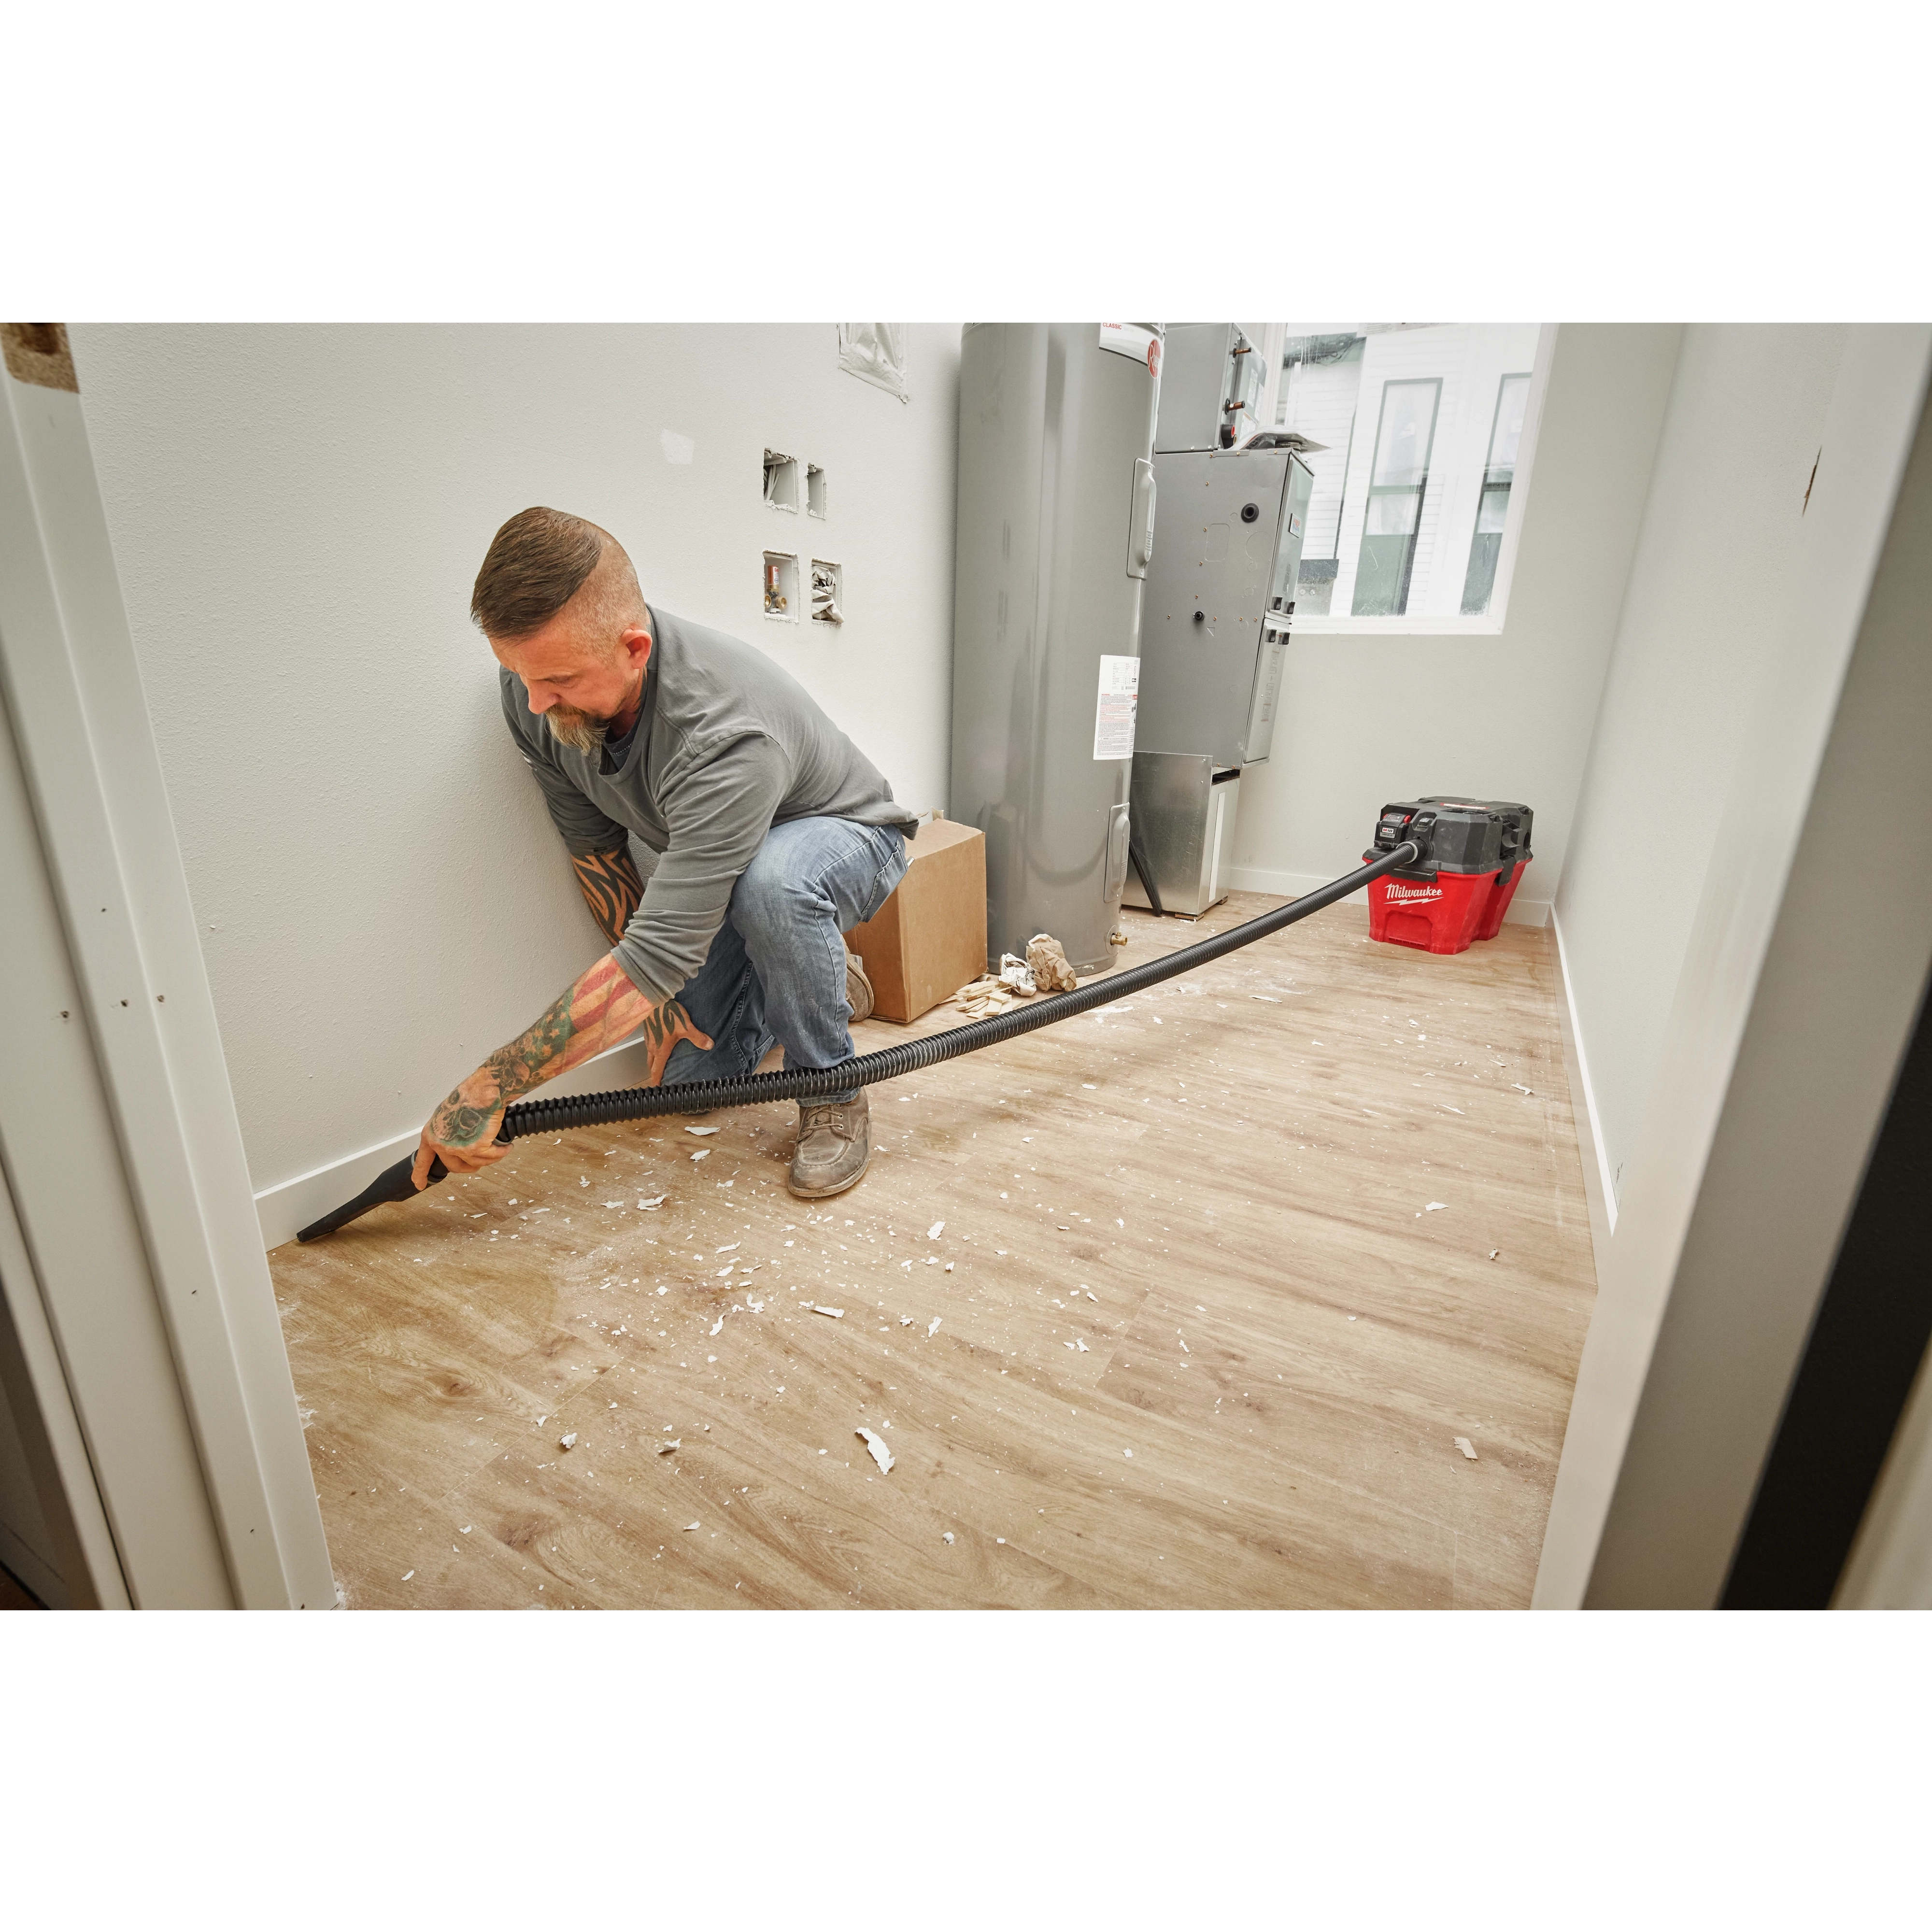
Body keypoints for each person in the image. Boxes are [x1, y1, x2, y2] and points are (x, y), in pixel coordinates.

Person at [413, 507, 914, 1200]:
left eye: (558, 680)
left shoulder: (722, 735)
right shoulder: (535, 695)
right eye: (520, 676)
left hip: (846, 836)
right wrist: (660, 1007)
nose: (534, 703)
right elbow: (598, 856)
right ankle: (815, 977)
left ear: (634, 650)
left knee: (773, 887)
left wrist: (490, 1086)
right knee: (690, 1085)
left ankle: (832, 1089)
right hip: (737, 865)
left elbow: (656, 956)